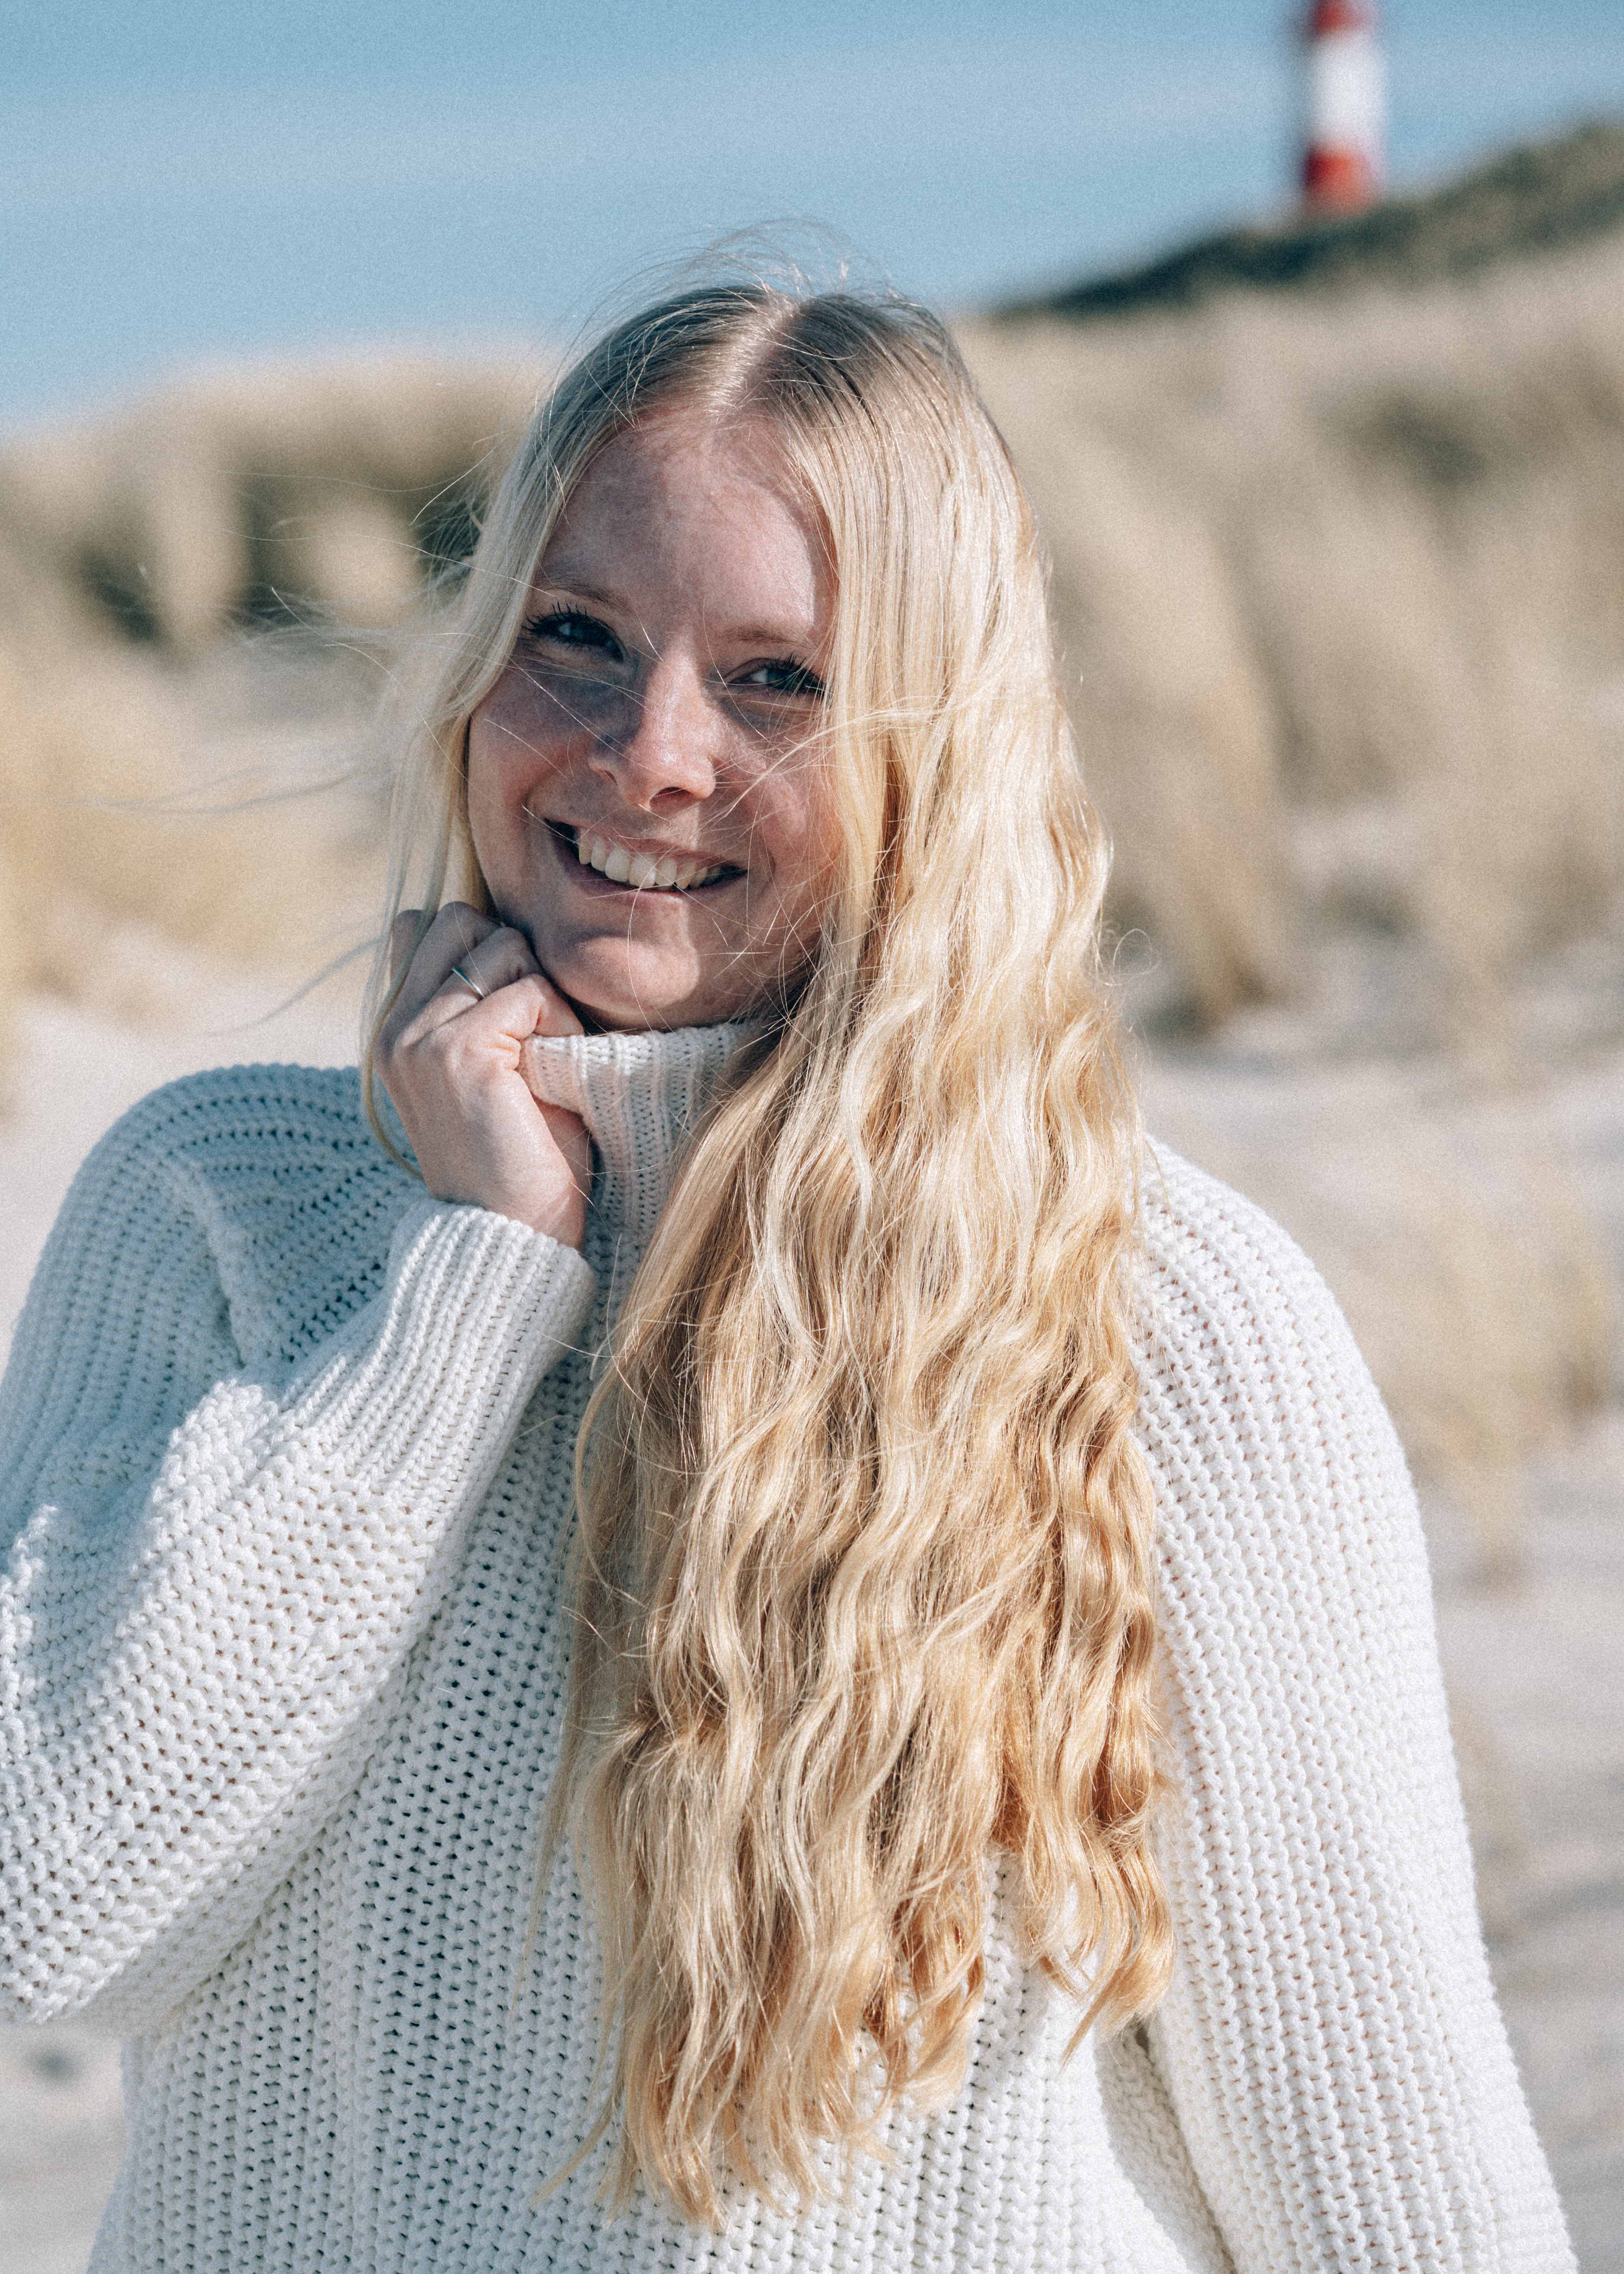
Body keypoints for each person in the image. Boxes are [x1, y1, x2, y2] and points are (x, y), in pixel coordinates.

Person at [0, 283, 1572, 2273]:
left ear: (938, 748)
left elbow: (1395, 2185)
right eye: (576, 636)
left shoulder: (1156, 1318)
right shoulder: (222, 1207)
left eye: (777, 680)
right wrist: (465, 1290)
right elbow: (43, 1907)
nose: (649, 754)